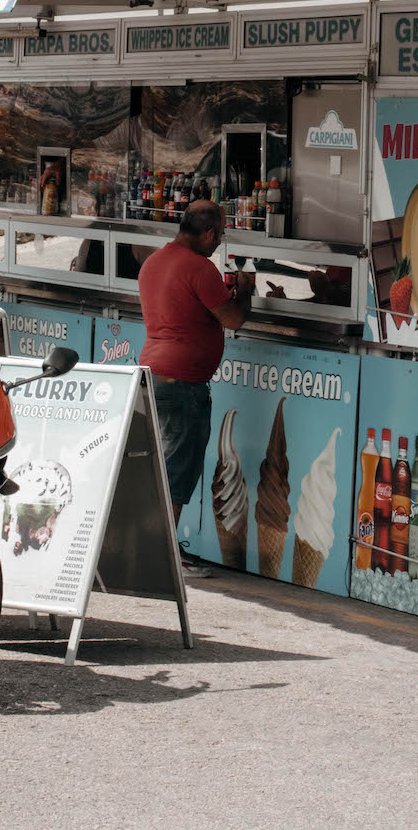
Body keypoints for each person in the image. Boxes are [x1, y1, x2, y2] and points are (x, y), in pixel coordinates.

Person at [136, 199, 253, 578]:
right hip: (183, 383)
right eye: (218, 237)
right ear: (208, 233)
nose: (218, 245)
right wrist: (246, 291)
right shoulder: (200, 269)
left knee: (158, 465)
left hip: (152, 373)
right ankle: (167, 555)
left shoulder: (154, 262)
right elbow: (233, 318)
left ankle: (151, 545)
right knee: (178, 470)